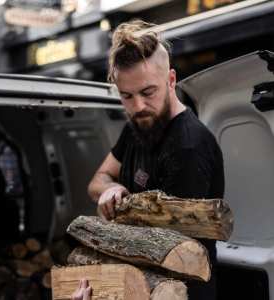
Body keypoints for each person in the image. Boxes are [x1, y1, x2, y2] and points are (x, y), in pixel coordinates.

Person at [87, 20, 225, 300]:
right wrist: (110, 189)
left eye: (148, 92)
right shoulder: (135, 126)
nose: (138, 107)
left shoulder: (187, 148)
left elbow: (169, 253)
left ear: (171, 80)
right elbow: (95, 183)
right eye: (127, 96)